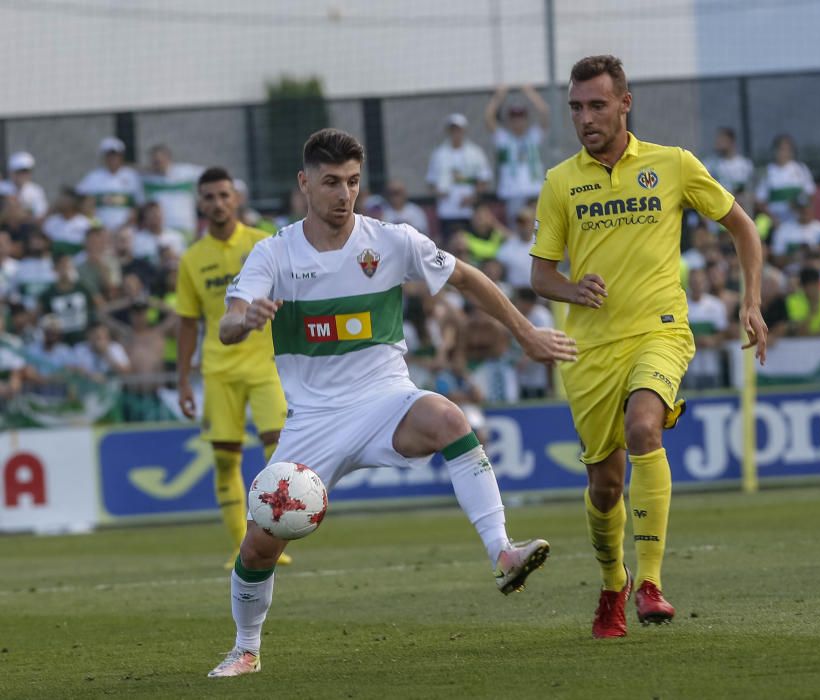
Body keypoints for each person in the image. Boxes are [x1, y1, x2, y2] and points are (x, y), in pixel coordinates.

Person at [209, 128, 577, 677]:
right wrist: (247, 319)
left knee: (449, 418)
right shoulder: (275, 252)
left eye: (353, 182)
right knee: (259, 544)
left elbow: (469, 278)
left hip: (386, 398)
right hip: (314, 419)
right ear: (304, 183)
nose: (344, 195)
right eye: (331, 182)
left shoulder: (391, 240)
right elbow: (228, 323)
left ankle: (503, 552)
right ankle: (245, 647)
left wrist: (525, 333)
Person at [529, 55, 767, 639]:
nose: (586, 118)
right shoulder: (561, 181)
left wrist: (751, 301)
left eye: (597, 105)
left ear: (625, 103)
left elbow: (743, 227)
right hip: (588, 351)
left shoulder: (673, 164)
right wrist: (571, 288)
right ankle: (614, 583)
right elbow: (540, 277)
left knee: (644, 428)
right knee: (604, 485)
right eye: (577, 108)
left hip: (660, 331)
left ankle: (652, 582)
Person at [175, 167, 290, 570]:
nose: (218, 203)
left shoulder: (265, 244)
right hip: (218, 370)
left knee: (280, 453)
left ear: (236, 198)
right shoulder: (191, 259)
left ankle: (273, 537)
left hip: (265, 366)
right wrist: (183, 382)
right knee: (226, 459)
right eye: (209, 197)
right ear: (200, 204)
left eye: (224, 194)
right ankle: (240, 545)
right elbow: (188, 322)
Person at [485, 85, 549, 224]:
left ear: (526, 119)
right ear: (509, 120)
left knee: (539, 228)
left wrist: (531, 93)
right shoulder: (504, 139)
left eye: (521, 117)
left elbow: (544, 113)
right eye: (514, 117)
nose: (518, 121)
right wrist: (499, 97)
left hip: (534, 192)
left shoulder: (533, 137)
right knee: (517, 229)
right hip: (512, 194)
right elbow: (489, 118)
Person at [426, 113, 492, 237]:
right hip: (447, 211)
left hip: (470, 212)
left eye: (458, 129)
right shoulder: (439, 154)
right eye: (453, 130)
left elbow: (483, 181)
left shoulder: (475, 153)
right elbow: (431, 183)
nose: (456, 133)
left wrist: (473, 198)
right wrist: (439, 193)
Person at [76, 137, 144, 233]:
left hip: (126, 232)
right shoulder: (93, 177)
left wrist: (125, 226)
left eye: (116, 155)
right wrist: (96, 224)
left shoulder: (131, 176)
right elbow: (80, 201)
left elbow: (138, 205)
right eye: (109, 155)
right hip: (99, 231)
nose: (113, 158)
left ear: (121, 156)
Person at [755, 134, 816, 228]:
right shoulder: (767, 172)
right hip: (774, 221)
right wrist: (773, 219)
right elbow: (759, 202)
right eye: (780, 149)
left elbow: (810, 195)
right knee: (759, 226)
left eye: (787, 149)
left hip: (797, 220)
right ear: (775, 151)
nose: (783, 153)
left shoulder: (801, 169)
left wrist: (798, 207)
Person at [141, 144, 203, 236]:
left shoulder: (186, 172)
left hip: (185, 227)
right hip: (162, 230)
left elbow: (212, 175)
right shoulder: (147, 178)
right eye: (154, 161)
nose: (157, 164)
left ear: (168, 158)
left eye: (159, 160)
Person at [0, 152, 49, 220]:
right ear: (11, 172)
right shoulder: (2, 188)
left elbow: (40, 214)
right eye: (19, 172)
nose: (22, 175)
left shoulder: (36, 190)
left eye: (25, 172)